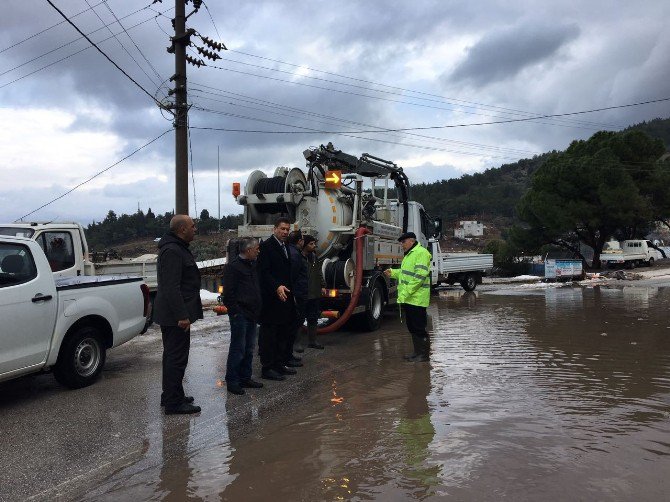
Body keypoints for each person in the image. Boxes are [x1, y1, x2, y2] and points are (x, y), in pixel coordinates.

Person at [154, 215, 203, 414]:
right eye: (193, 226)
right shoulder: (173, 251)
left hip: (174, 314)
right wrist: (182, 315)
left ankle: (171, 395)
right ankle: (174, 403)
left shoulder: (176, 247)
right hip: (175, 316)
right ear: (182, 229)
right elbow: (171, 288)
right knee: (176, 358)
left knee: (172, 357)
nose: (195, 229)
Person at [257, 217, 297, 381]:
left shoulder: (286, 246)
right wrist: (276, 286)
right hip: (271, 300)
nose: (285, 232)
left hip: (285, 297)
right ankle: (267, 368)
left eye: (287, 229)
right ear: (274, 229)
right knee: (269, 335)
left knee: (282, 333)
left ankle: (279, 363)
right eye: (282, 229)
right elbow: (263, 272)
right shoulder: (266, 247)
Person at [223, 237, 264, 396]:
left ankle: (245, 377)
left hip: (252, 313)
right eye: (256, 249)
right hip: (240, 314)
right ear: (248, 251)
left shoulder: (252, 265)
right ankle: (232, 381)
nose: (258, 251)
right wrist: (235, 311)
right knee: (238, 348)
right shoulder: (233, 268)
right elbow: (228, 294)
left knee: (249, 348)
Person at [384, 232, 432, 362]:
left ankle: (423, 355)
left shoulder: (421, 253)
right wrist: (393, 272)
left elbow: (419, 277)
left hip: (417, 298)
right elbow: (406, 274)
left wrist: (405, 293)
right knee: (412, 326)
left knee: (418, 327)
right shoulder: (410, 254)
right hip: (411, 299)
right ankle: (417, 353)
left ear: (411, 241)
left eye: (403, 242)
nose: (402, 245)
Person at [302, 234, 324, 350]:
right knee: (299, 318)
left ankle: (312, 341)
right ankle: (297, 343)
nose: (314, 246)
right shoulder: (299, 258)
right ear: (305, 245)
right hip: (304, 293)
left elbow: (319, 273)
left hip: (314, 293)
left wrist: (323, 285)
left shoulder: (314, 257)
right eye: (311, 244)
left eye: (314, 243)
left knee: (313, 317)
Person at [287, 230, 307, 361]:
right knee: (296, 320)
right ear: (300, 241)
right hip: (297, 292)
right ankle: (291, 349)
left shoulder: (293, 252)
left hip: (298, 291)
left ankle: (290, 351)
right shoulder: (295, 255)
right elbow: (292, 276)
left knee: (296, 319)